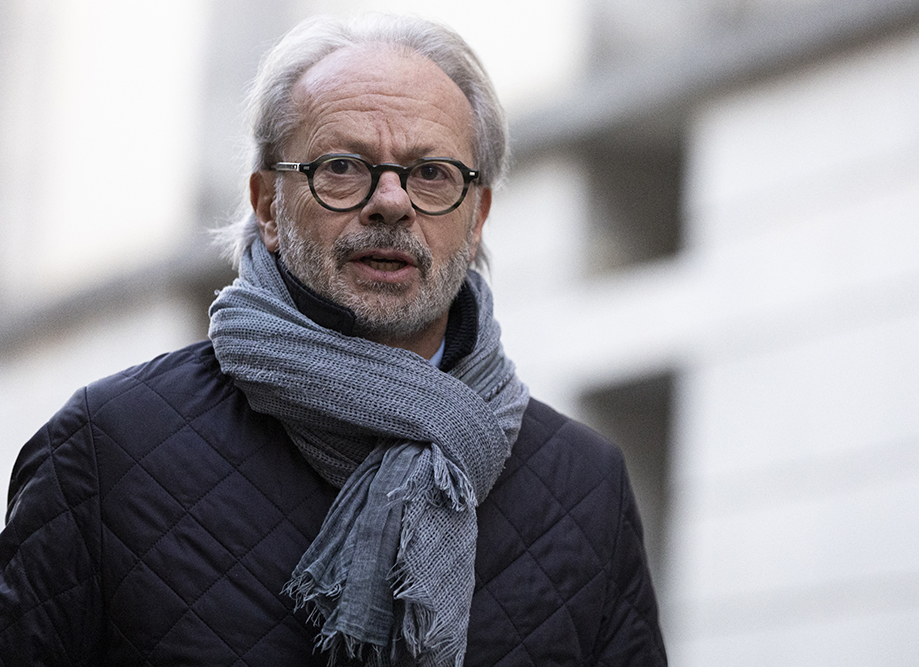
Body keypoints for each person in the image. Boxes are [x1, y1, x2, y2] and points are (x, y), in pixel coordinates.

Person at [0, 14, 667, 667]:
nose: (391, 201)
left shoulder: (586, 488)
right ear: (268, 205)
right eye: (343, 166)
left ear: (477, 218)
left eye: (432, 173)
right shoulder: (108, 449)